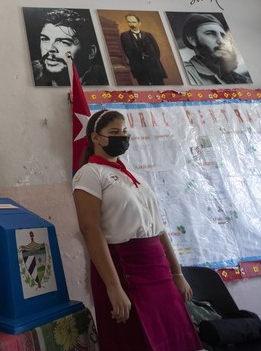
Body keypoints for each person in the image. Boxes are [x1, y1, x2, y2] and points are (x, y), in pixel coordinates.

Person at [72, 109, 203, 351]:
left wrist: (177, 273)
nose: (122, 137)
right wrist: (114, 287)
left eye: (124, 132)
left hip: (156, 268)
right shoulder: (89, 174)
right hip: (123, 268)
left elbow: (159, 229)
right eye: (114, 132)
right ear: (96, 137)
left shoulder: (133, 176)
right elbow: (91, 230)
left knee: (174, 337)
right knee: (135, 339)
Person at [31, 8, 108, 86]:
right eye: (45, 39)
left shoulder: (103, 79)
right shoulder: (31, 71)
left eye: (64, 42)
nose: (49, 49)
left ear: (91, 52)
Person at [182, 13, 251, 85]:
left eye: (223, 36)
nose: (221, 41)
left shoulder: (240, 79)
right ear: (192, 40)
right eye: (211, 34)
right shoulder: (186, 73)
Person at [120, 14, 167, 86]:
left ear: (139, 23)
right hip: (140, 70)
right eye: (129, 22)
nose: (131, 24)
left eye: (134, 22)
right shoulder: (124, 36)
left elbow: (156, 51)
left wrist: (153, 62)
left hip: (154, 68)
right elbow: (127, 52)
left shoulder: (148, 35)